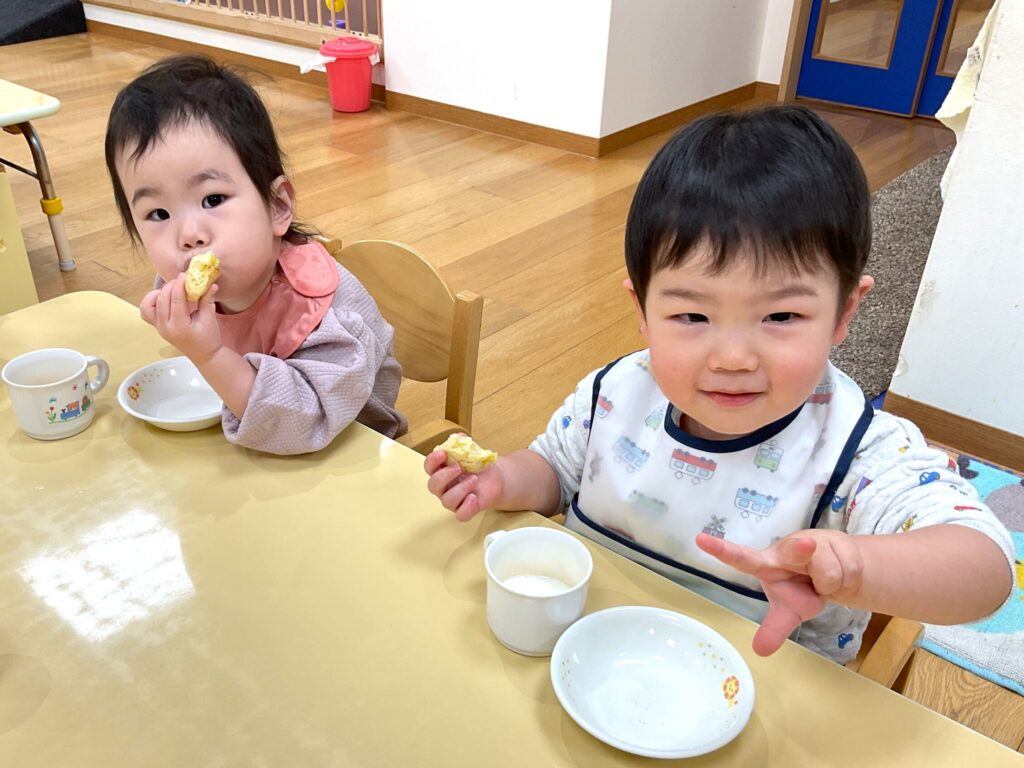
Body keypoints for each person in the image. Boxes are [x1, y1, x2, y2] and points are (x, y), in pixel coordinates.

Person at [424, 106, 1014, 663]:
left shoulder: (857, 453)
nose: (732, 357)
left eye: (780, 317)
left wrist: (856, 566)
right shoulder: (616, 393)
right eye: (692, 317)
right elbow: (553, 471)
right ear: (643, 309)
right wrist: (502, 479)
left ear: (844, 313)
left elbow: (985, 568)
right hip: (589, 660)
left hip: (755, 696)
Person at [105, 55, 406, 454]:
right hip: (251, 445)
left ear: (277, 206)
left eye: (213, 199)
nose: (189, 235)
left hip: (348, 451)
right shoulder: (190, 283)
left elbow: (305, 424)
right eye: (158, 213)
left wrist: (208, 353)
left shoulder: (319, 311)